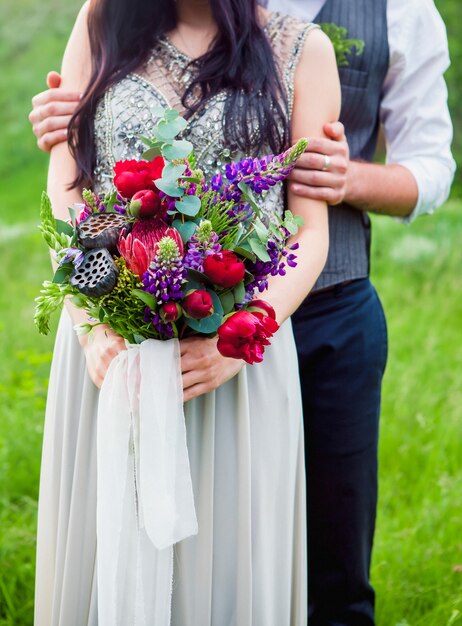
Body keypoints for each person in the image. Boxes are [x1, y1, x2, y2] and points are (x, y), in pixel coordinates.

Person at [29, 1, 456, 625]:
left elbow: (383, 193)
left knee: (298, 567)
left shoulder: (326, 37)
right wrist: (92, 321)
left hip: (273, 332)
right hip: (113, 346)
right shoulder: (102, 18)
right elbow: (66, 186)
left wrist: (240, 335)